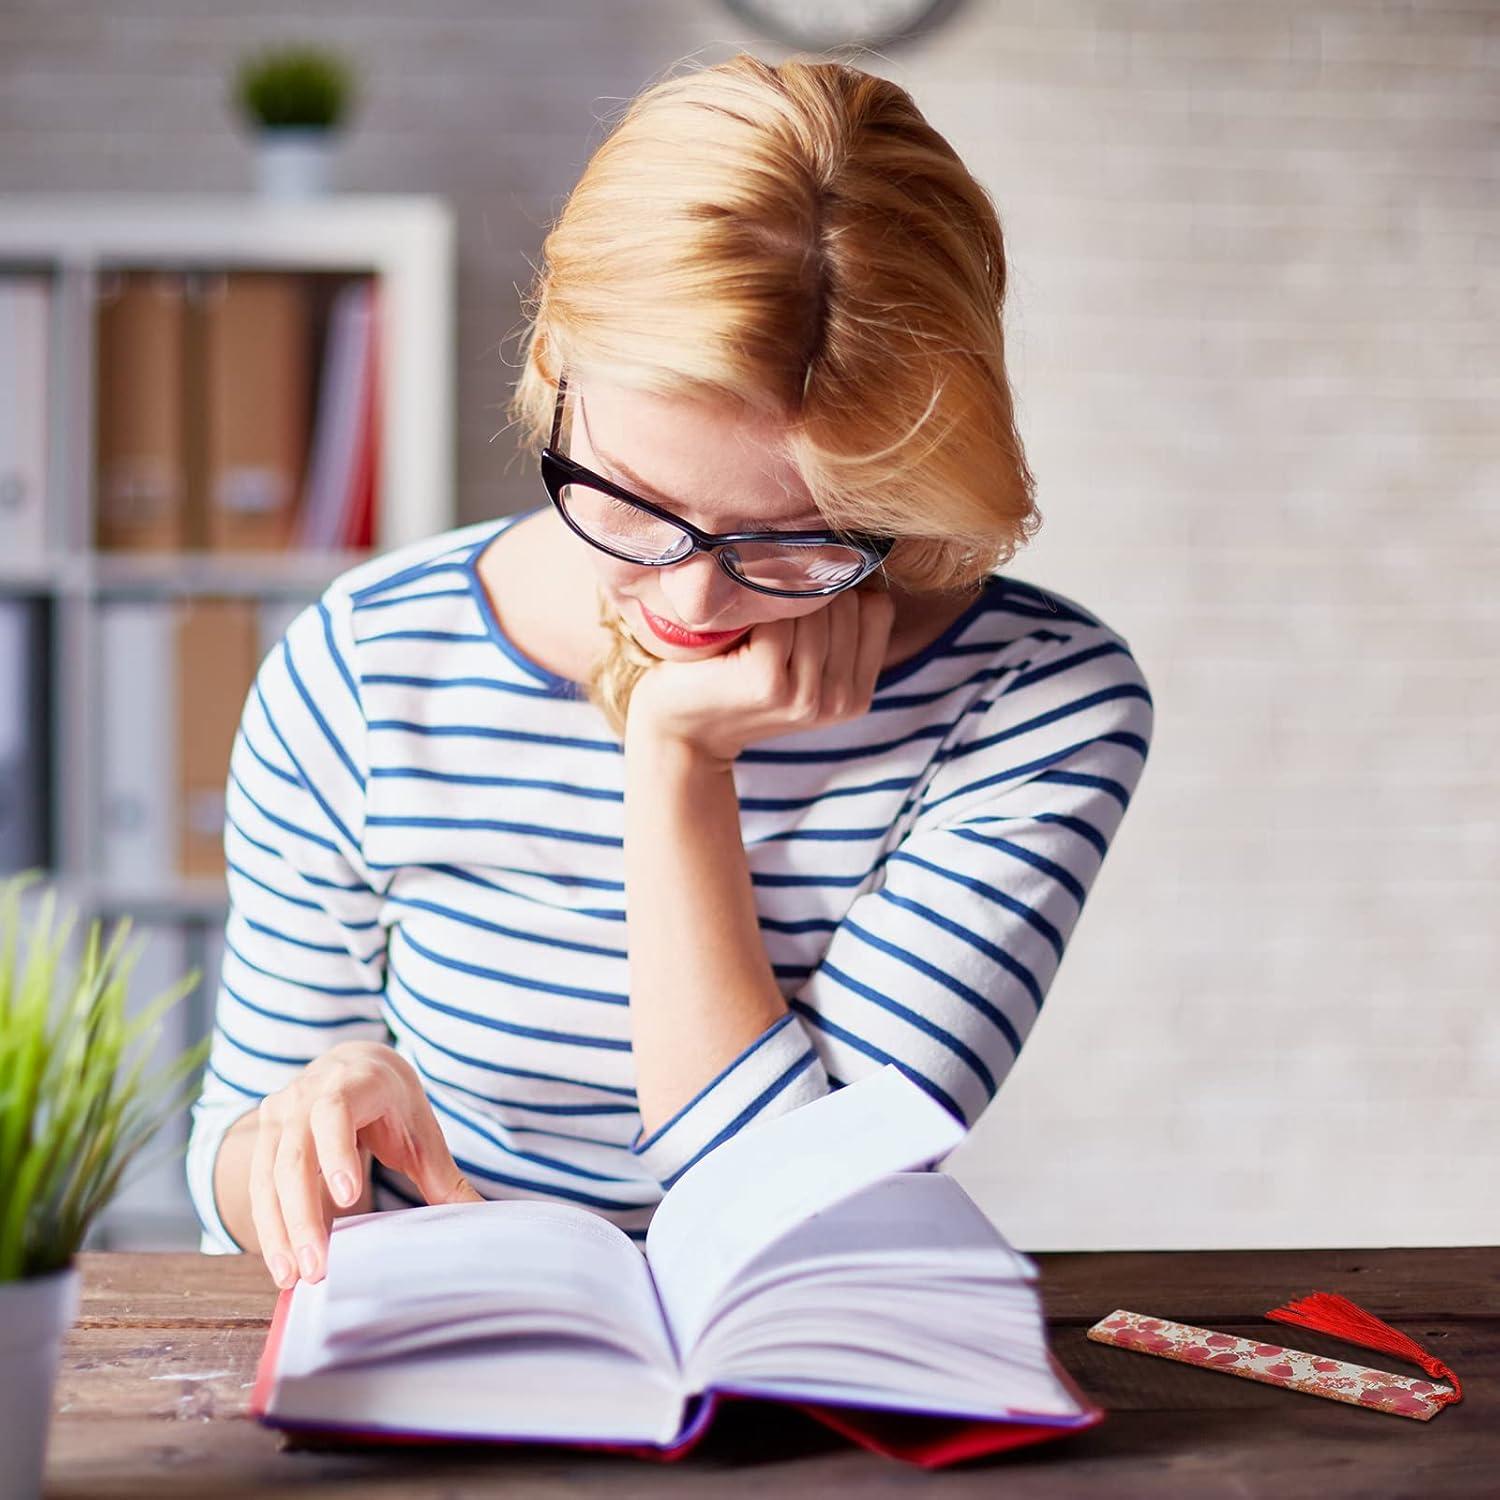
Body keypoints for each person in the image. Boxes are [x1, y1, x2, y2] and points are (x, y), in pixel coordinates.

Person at [186, 52, 1154, 1290]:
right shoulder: (368, 664)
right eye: (634, 503)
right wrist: (299, 1129)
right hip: (451, 1341)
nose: (693, 602)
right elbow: (228, 1162)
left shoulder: (1038, 706)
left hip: (792, 1350)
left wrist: (678, 760)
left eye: (795, 537)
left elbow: (795, 1207)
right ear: (554, 370)